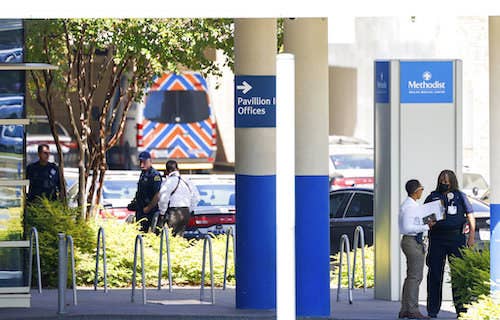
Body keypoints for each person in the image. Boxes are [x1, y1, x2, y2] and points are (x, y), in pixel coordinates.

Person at [424, 169, 476, 318]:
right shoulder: (432, 197)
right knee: (434, 274)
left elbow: (470, 215)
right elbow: (424, 218)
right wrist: (428, 223)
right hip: (437, 239)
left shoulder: (460, 196)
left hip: (456, 239)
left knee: (458, 274)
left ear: (452, 181)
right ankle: (432, 310)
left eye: (447, 181)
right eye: (442, 181)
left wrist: (471, 236)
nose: (444, 183)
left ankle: (461, 310)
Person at [399, 179, 436, 319]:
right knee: (415, 277)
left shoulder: (411, 205)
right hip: (412, 241)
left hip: (412, 241)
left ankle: (405, 309)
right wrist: (427, 226)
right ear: (416, 191)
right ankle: (412, 310)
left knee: (411, 277)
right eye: (422, 189)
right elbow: (408, 228)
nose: (422, 192)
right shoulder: (410, 207)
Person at [158, 160, 199, 237]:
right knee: (180, 236)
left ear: (167, 171)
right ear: (178, 168)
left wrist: (162, 212)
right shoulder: (186, 181)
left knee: (169, 237)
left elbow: (163, 198)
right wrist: (190, 209)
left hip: (174, 212)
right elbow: (196, 197)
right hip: (186, 212)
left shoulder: (169, 182)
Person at [131, 151, 162, 233]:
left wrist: (148, 208)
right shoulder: (143, 174)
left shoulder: (154, 175)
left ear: (150, 161)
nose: (141, 165)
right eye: (140, 162)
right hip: (141, 209)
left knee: (148, 233)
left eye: (144, 162)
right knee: (139, 232)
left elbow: (157, 195)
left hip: (149, 211)